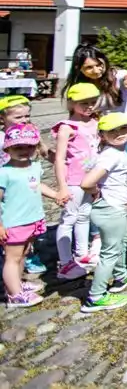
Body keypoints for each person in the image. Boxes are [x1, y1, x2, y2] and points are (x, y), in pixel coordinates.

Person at [62, 45, 127, 241]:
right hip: (97, 133)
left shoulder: (117, 75)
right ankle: (96, 233)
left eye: (99, 65)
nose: (96, 71)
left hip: (125, 131)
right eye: (89, 68)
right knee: (96, 179)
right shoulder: (80, 88)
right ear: (79, 69)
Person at [80, 112, 127, 312]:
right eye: (113, 130)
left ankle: (121, 276)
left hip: (114, 207)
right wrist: (96, 192)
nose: (120, 133)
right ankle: (96, 296)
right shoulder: (111, 156)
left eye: (124, 128)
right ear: (102, 134)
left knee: (119, 243)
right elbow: (87, 183)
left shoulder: (116, 152)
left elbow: (121, 180)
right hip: (110, 209)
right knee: (110, 252)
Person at [0, 123, 65, 307]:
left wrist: (55, 195)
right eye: (18, 147)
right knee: (12, 258)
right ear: (8, 148)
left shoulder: (33, 166)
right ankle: (14, 295)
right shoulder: (4, 172)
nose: (24, 151)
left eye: (29, 146)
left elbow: (37, 185)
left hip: (32, 219)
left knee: (23, 254)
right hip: (13, 222)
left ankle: (17, 284)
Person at [53, 83, 101, 281]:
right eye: (84, 103)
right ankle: (65, 262)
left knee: (84, 216)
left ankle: (82, 254)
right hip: (73, 180)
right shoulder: (67, 127)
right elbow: (59, 158)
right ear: (72, 103)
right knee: (68, 219)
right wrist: (62, 186)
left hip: (91, 179)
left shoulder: (95, 122)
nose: (89, 106)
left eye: (92, 102)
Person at [0, 95, 48, 275]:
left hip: (25, 185)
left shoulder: (30, 132)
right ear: (2, 118)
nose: (24, 120)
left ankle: (27, 256)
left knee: (27, 224)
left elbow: (43, 150)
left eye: (27, 116)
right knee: (9, 225)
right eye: (18, 117)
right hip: (6, 184)